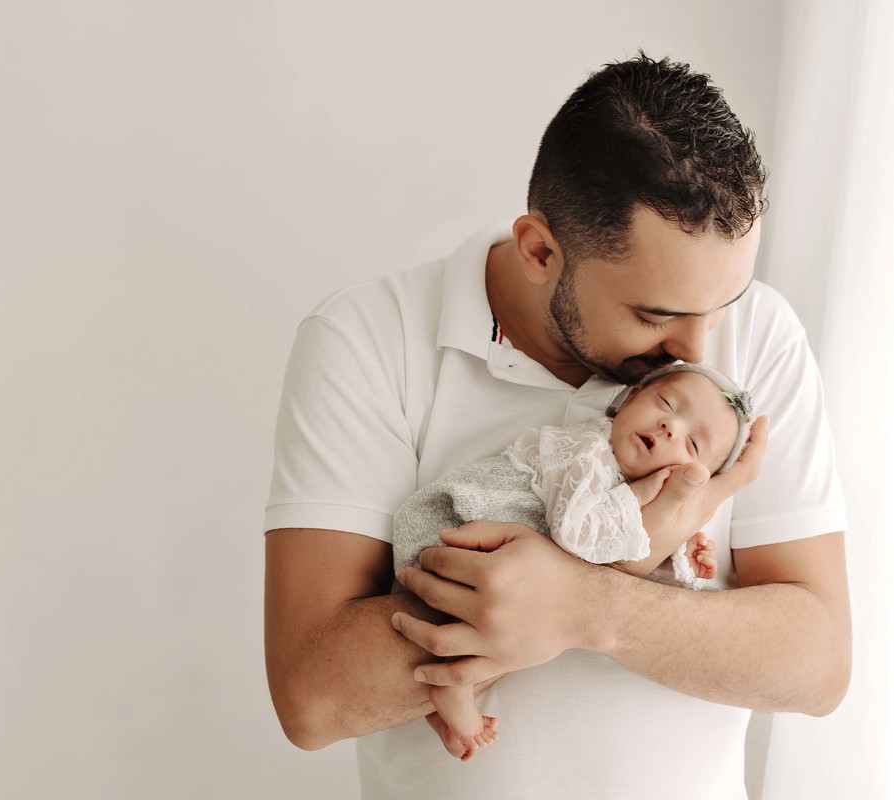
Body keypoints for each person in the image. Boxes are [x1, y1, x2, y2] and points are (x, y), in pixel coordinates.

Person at [265, 53, 850, 799]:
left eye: (723, 304)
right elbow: (312, 697)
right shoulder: (368, 340)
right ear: (541, 250)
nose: (700, 353)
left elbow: (821, 661)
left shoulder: (762, 334)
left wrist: (585, 605)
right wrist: (539, 598)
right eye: (655, 314)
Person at [393, 362, 756, 761]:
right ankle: (453, 689)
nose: (672, 427)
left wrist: (681, 555)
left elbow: (618, 561)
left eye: (692, 445)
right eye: (667, 403)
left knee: (506, 608)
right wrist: (635, 502)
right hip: (454, 521)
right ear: (628, 398)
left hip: (488, 554)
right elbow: (578, 537)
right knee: (491, 607)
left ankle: (442, 714)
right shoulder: (589, 450)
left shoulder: (627, 484)